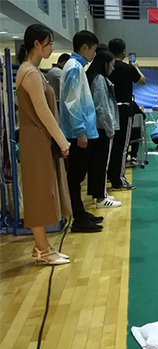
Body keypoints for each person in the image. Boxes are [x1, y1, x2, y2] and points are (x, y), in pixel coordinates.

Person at [17, 24, 72, 264]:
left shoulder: (33, 71)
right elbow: (43, 112)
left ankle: (42, 246)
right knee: (38, 193)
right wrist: (62, 140)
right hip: (36, 140)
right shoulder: (29, 73)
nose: (51, 48)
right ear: (37, 45)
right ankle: (42, 248)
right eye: (48, 44)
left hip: (39, 139)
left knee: (42, 191)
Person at [60, 30, 102, 233]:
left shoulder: (76, 67)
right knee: (75, 177)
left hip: (83, 130)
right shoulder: (74, 68)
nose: (94, 54)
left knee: (77, 176)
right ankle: (78, 219)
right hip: (78, 132)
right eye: (93, 50)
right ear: (84, 48)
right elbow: (72, 101)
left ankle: (81, 214)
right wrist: (80, 131)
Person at [108, 38, 145, 190]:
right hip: (123, 110)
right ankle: (118, 179)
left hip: (108, 110)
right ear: (123, 52)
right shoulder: (128, 68)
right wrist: (136, 68)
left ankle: (109, 176)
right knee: (122, 146)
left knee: (110, 146)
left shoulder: (106, 68)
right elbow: (142, 81)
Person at [87, 46, 121, 209]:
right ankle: (101, 198)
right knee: (101, 164)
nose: (113, 68)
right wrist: (109, 128)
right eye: (112, 64)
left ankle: (98, 194)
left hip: (97, 128)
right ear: (105, 63)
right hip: (101, 128)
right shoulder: (100, 79)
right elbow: (102, 107)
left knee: (96, 163)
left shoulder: (94, 78)